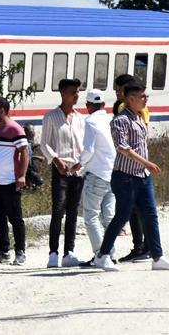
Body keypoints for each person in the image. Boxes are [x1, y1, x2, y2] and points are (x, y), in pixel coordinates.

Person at [93, 82, 169, 271]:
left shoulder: (140, 118)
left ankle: (157, 257)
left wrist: (146, 167)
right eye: (142, 96)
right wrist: (146, 163)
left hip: (143, 176)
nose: (145, 99)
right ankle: (102, 255)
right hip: (125, 176)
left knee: (150, 215)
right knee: (122, 215)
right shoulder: (120, 120)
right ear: (130, 98)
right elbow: (123, 148)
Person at [40, 78, 85, 268]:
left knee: (73, 211)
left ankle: (69, 252)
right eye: (73, 92)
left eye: (77, 92)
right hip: (60, 169)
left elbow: (83, 145)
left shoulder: (81, 118)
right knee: (58, 209)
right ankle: (53, 252)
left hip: (78, 171)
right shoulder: (51, 117)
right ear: (63, 94)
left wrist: (81, 163)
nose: (76, 96)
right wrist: (56, 160)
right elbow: (45, 144)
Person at [70, 89, 117, 267]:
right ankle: (111, 253)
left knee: (90, 216)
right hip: (112, 173)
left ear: (88, 106)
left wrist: (78, 164)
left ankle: (100, 254)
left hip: (96, 174)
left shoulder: (90, 122)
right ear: (103, 105)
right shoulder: (110, 119)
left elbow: (88, 150)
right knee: (109, 217)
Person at [0, 96, 29, 266]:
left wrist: (22, 176)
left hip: (10, 182)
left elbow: (24, 153)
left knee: (15, 218)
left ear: (2, 110)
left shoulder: (15, 129)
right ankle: (3, 251)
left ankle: (20, 252)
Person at [113, 74, 151, 263]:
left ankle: (140, 246)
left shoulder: (123, 110)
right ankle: (147, 245)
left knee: (133, 209)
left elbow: (125, 143)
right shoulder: (138, 110)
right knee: (142, 208)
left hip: (131, 168)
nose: (117, 92)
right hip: (139, 165)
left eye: (119, 89)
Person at [23, 123, 44, 189]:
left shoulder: (30, 142)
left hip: (31, 167)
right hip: (27, 168)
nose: (34, 132)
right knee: (39, 181)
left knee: (32, 185)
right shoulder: (25, 143)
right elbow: (25, 157)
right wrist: (37, 157)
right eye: (32, 131)